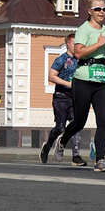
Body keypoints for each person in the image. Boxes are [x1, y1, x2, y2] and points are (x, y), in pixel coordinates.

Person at [52, 0, 105, 172]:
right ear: (89, 11)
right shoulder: (83, 30)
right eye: (97, 9)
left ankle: (100, 160)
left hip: (101, 80)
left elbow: (102, 56)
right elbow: (79, 53)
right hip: (83, 79)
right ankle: (63, 140)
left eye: (104, 9)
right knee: (80, 121)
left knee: (103, 121)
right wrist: (98, 44)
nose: (102, 12)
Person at [39, 33, 85, 166]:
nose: (77, 46)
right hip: (61, 97)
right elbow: (51, 76)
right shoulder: (61, 59)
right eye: (74, 44)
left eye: (78, 44)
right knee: (60, 127)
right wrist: (67, 84)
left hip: (75, 98)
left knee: (76, 125)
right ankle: (47, 146)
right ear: (67, 45)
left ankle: (76, 156)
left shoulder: (81, 60)